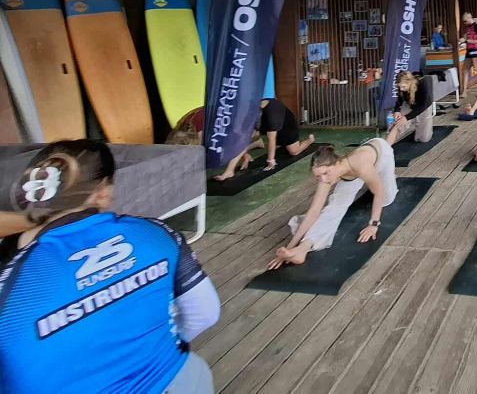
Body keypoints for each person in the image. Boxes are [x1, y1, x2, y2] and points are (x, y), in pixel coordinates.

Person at [0, 140, 220, 393]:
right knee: (194, 367)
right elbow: (205, 313)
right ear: (103, 192)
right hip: (173, 378)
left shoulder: (11, 278)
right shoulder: (155, 233)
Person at [268, 139, 398, 268]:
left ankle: (376, 179)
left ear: (336, 163)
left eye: (326, 173)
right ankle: (302, 249)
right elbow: (314, 211)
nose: (323, 179)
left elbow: (379, 192)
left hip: (382, 154)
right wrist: (290, 248)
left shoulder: (361, 165)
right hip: (352, 172)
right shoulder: (326, 177)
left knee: (386, 199)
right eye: (318, 176)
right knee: (334, 208)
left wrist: (373, 225)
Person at [213, 98, 316, 181]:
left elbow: (272, 139)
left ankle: (310, 140)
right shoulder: (251, 109)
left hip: (286, 128)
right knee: (244, 141)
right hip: (266, 125)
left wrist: (270, 160)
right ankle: (229, 172)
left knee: (294, 151)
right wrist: (245, 155)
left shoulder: (273, 114)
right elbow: (241, 140)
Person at [386, 71, 434, 145]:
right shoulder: (401, 87)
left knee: (423, 139)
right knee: (398, 123)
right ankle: (387, 144)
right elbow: (399, 100)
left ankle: (417, 124)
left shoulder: (423, 83)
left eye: (403, 87)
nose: (401, 89)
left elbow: (424, 105)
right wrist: (397, 111)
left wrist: (406, 117)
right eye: (399, 87)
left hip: (424, 106)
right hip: (409, 104)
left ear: (410, 83)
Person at [461, 12, 477, 88]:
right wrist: (463, 39)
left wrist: (467, 41)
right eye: (463, 22)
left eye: (465, 21)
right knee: (465, 70)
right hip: (468, 51)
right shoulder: (467, 27)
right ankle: (464, 90)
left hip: (476, 50)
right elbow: (466, 38)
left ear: (469, 18)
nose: (464, 23)